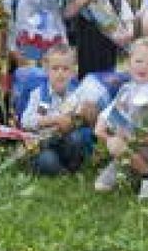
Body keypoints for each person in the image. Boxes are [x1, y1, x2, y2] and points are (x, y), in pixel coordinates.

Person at [93, 38, 148, 200]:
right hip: (130, 144)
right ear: (129, 63)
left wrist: (134, 138)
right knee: (100, 187)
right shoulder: (127, 89)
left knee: (116, 143)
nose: (143, 67)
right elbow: (108, 113)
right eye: (138, 61)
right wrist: (101, 124)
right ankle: (131, 167)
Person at [19, 45, 93, 176]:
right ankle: (61, 171)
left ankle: (72, 167)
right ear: (47, 70)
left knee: (77, 138)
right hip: (44, 144)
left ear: (73, 71)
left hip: (66, 142)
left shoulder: (76, 93)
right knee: (47, 161)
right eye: (55, 69)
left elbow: (86, 121)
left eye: (65, 69)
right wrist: (53, 120)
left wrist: (86, 114)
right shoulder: (39, 94)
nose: (60, 73)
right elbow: (25, 121)